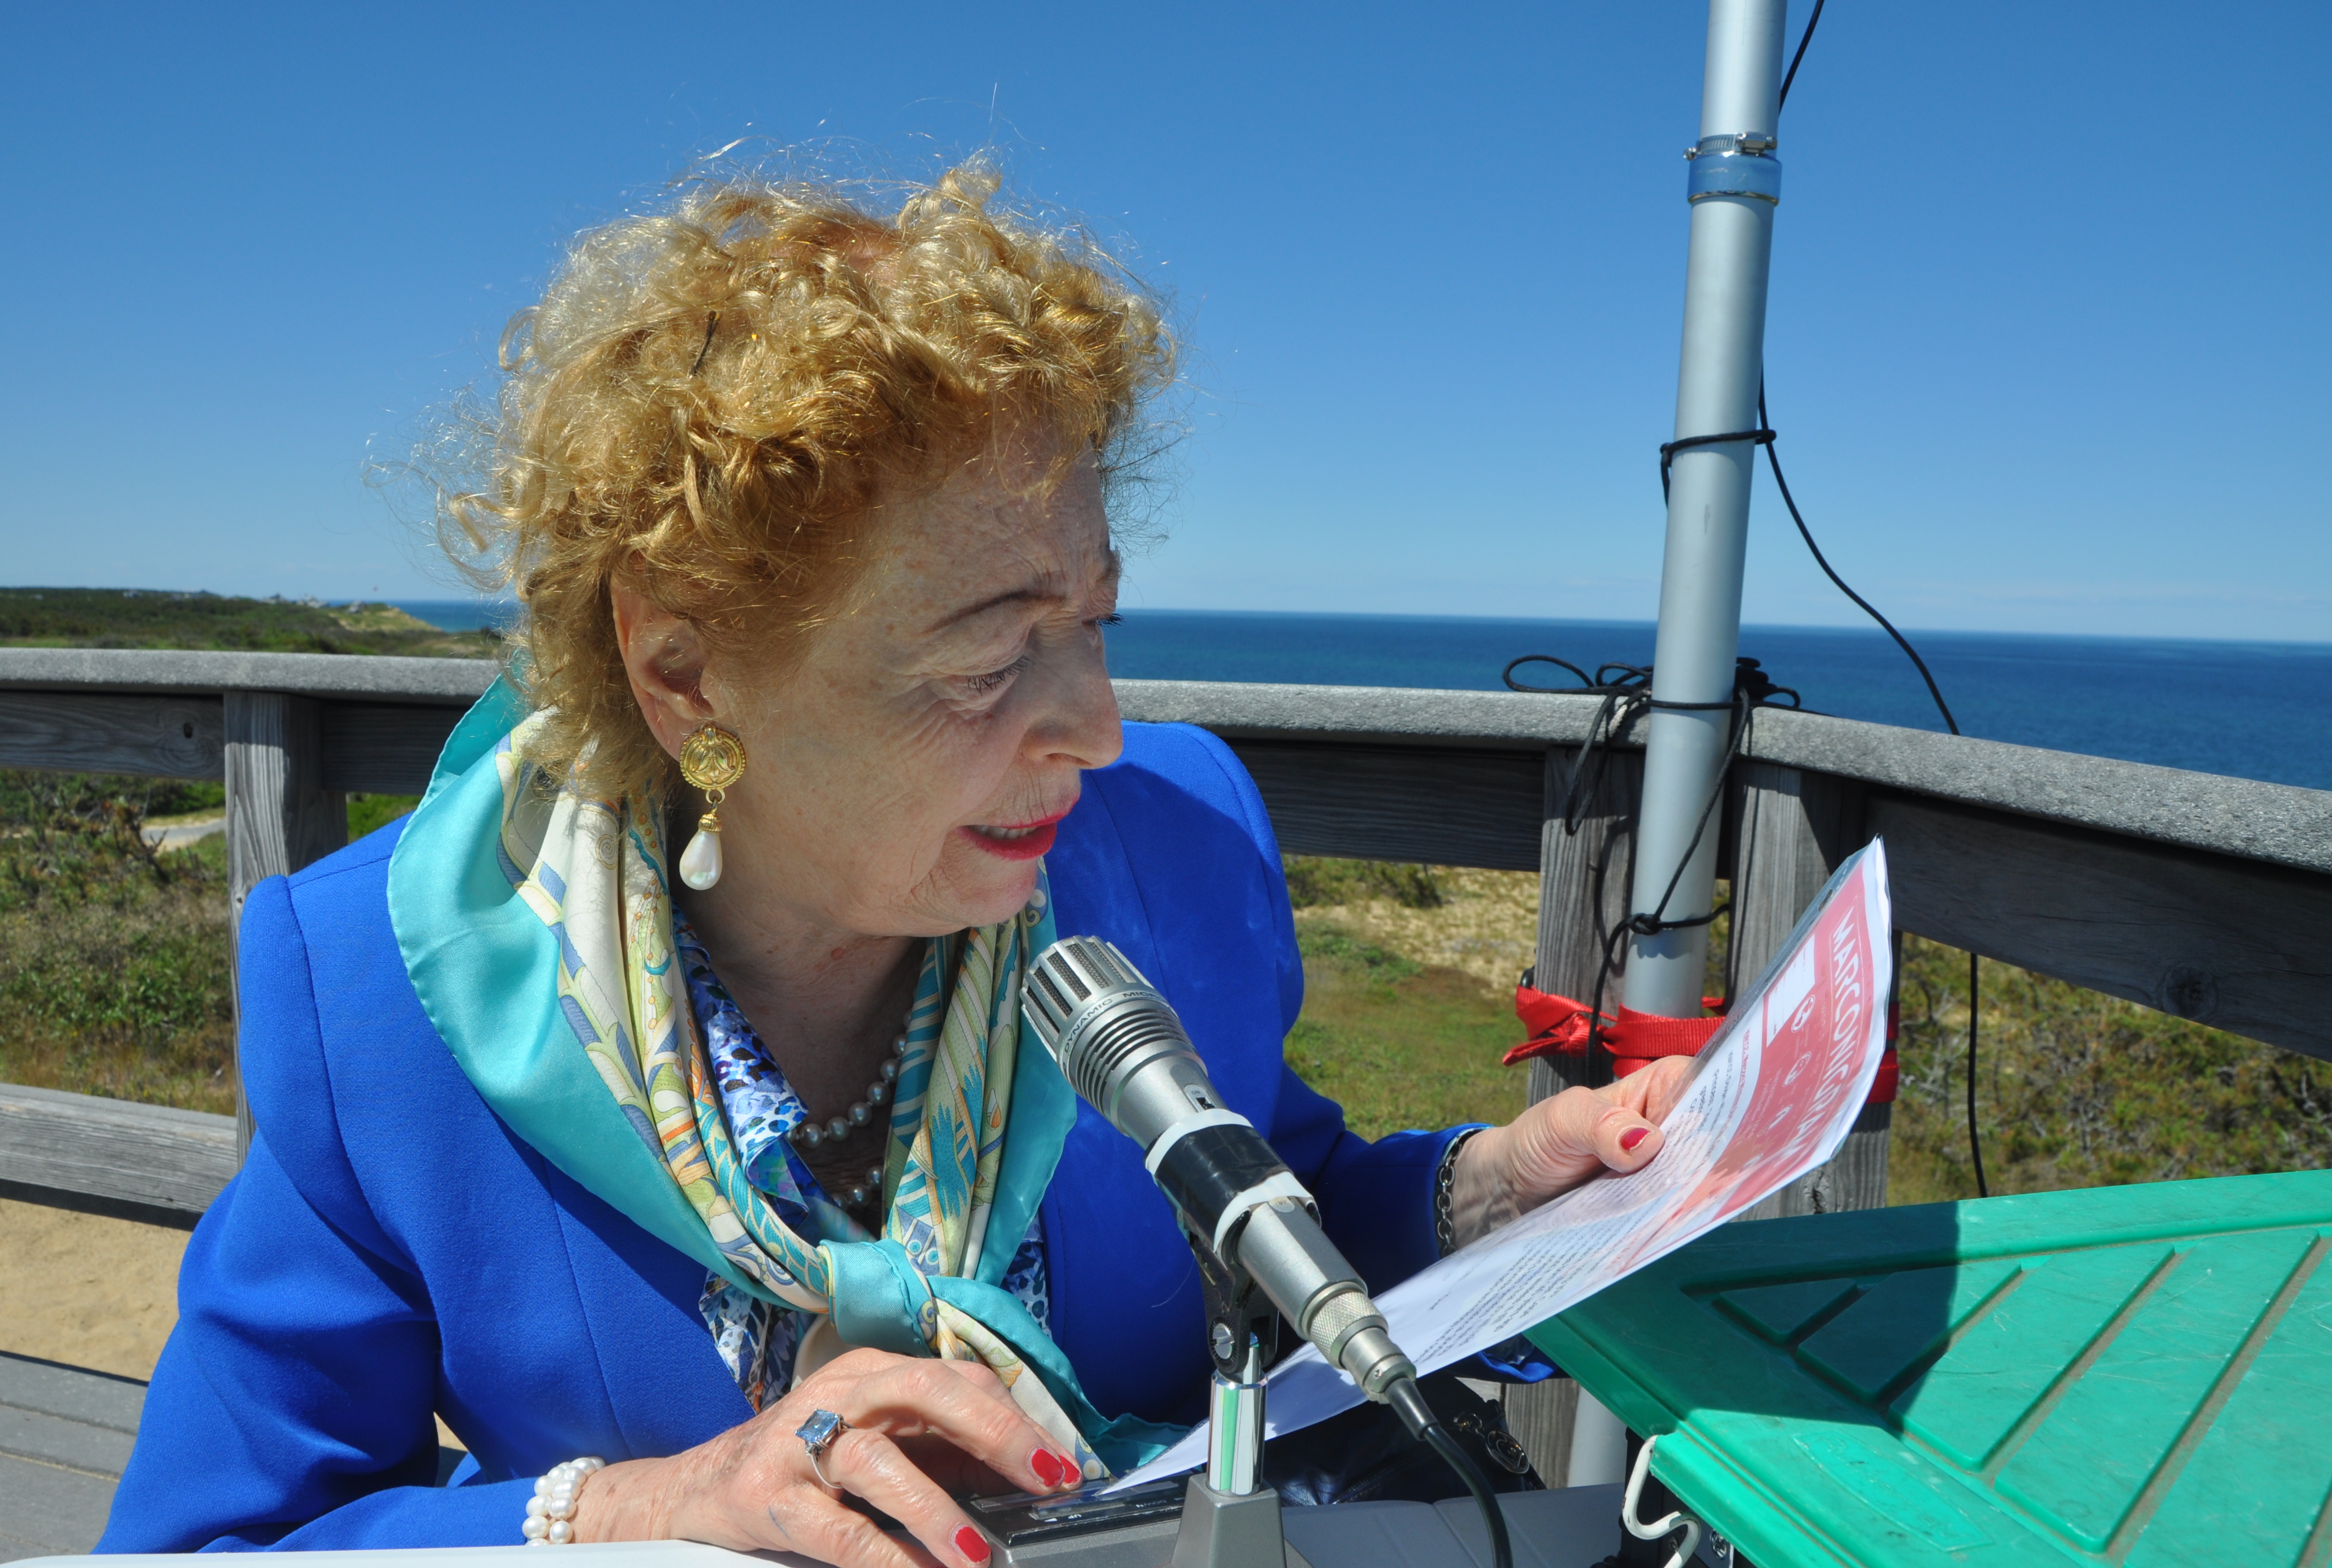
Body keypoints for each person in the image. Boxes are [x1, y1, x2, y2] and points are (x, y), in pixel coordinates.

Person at [101, 165, 1683, 1568]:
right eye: (986, 661)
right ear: (687, 677)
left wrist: (1491, 1193)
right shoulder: (381, 999)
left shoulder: (1174, 842)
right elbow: (219, 1537)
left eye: (1094, 621)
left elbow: (1279, 1199)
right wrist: (664, 1503)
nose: (1098, 730)